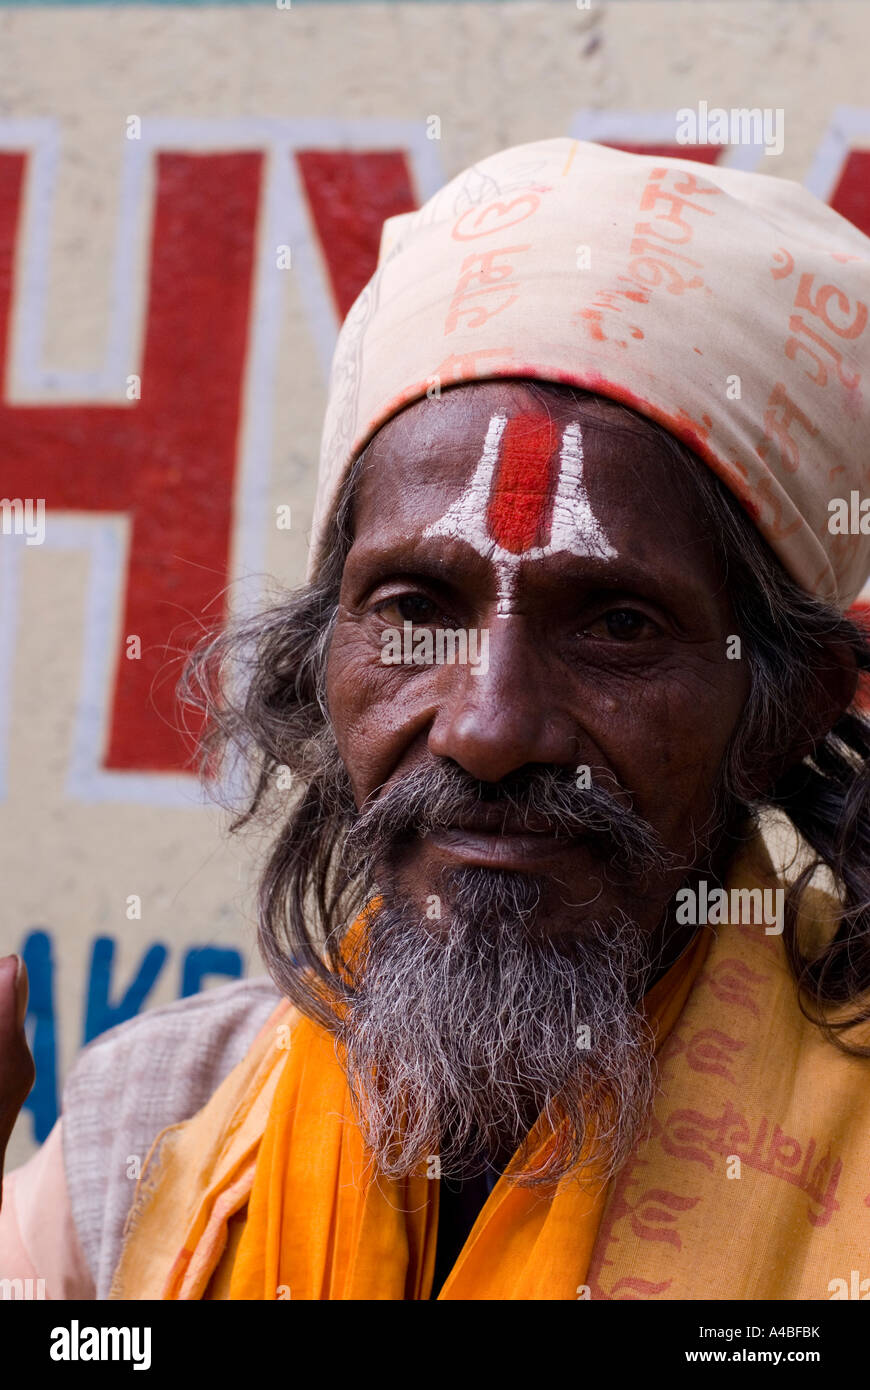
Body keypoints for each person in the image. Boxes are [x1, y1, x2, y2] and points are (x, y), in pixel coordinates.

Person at [2, 136, 870, 1301]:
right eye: (415, 609)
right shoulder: (148, 1127)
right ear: (323, 659)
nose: (488, 726)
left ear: (786, 705)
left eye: (614, 625)